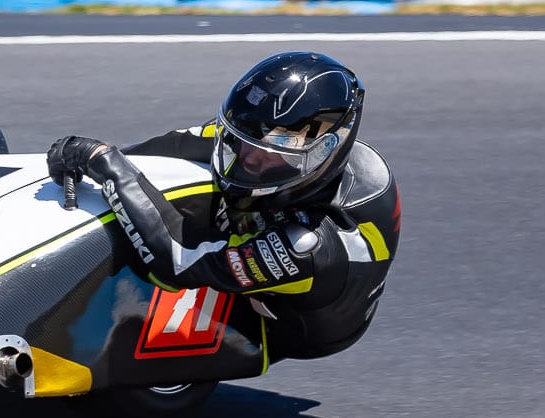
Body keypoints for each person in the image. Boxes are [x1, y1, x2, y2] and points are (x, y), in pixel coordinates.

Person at [45, 51, 399, 361]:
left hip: (290, 325)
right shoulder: (266, 137)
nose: (247, 162)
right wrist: (103, 159)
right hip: (277, 236)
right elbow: (170, 147)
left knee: (158, 258)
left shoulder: (308, 245)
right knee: (176, 180)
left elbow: (179, 261)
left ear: (321, 155)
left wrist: (106, 165)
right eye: (240, 144)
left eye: (266, 158)